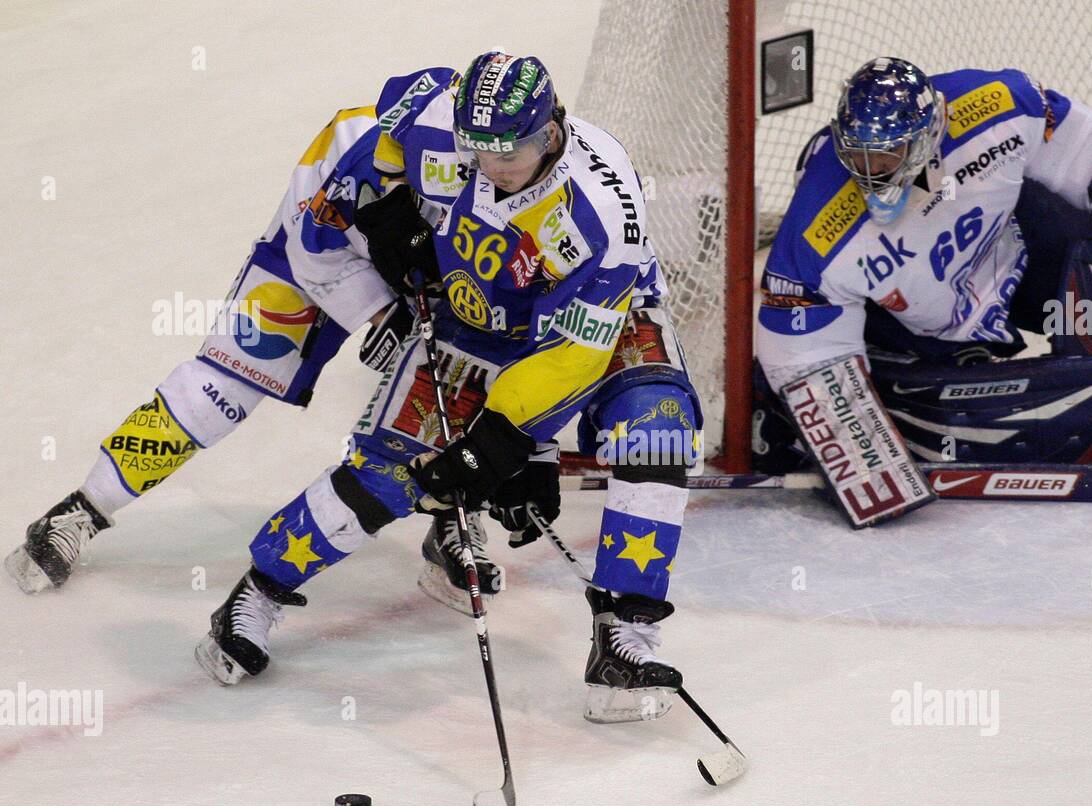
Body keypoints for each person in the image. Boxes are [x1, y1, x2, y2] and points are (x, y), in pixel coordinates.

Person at [196, 53, 701, 724]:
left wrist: (510, 448)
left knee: (657, 428)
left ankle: (623, 639)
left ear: (551, 130)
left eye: (509, 153)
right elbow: (389, 123)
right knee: (385, 479)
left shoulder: (600, 213)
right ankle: (256, 592)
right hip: (467, 323)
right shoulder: (447, 114)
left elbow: (570, 358)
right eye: (478, 150)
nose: (490, 167)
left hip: (597, 332)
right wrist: (386, 206)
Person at [753, 57, 1092, 508]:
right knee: (942, 404)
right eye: (860, 156)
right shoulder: (814, 233)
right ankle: (922, 394)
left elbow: (1090, 153)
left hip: (1009, 265)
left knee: (1087, 258)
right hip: (918, 329)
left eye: (888, 155)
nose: (873, 173)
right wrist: (855, 448)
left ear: (929, 134)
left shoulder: (999, 105)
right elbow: (804, 352)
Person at [5, 106, 393, 592]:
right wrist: (382, 312)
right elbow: (314, 250)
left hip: (438, 260)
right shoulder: (364, 148)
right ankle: (82, 509)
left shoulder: (507, 189)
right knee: (217, 392)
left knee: (459, 388)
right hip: (311, 244)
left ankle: (451, 526)